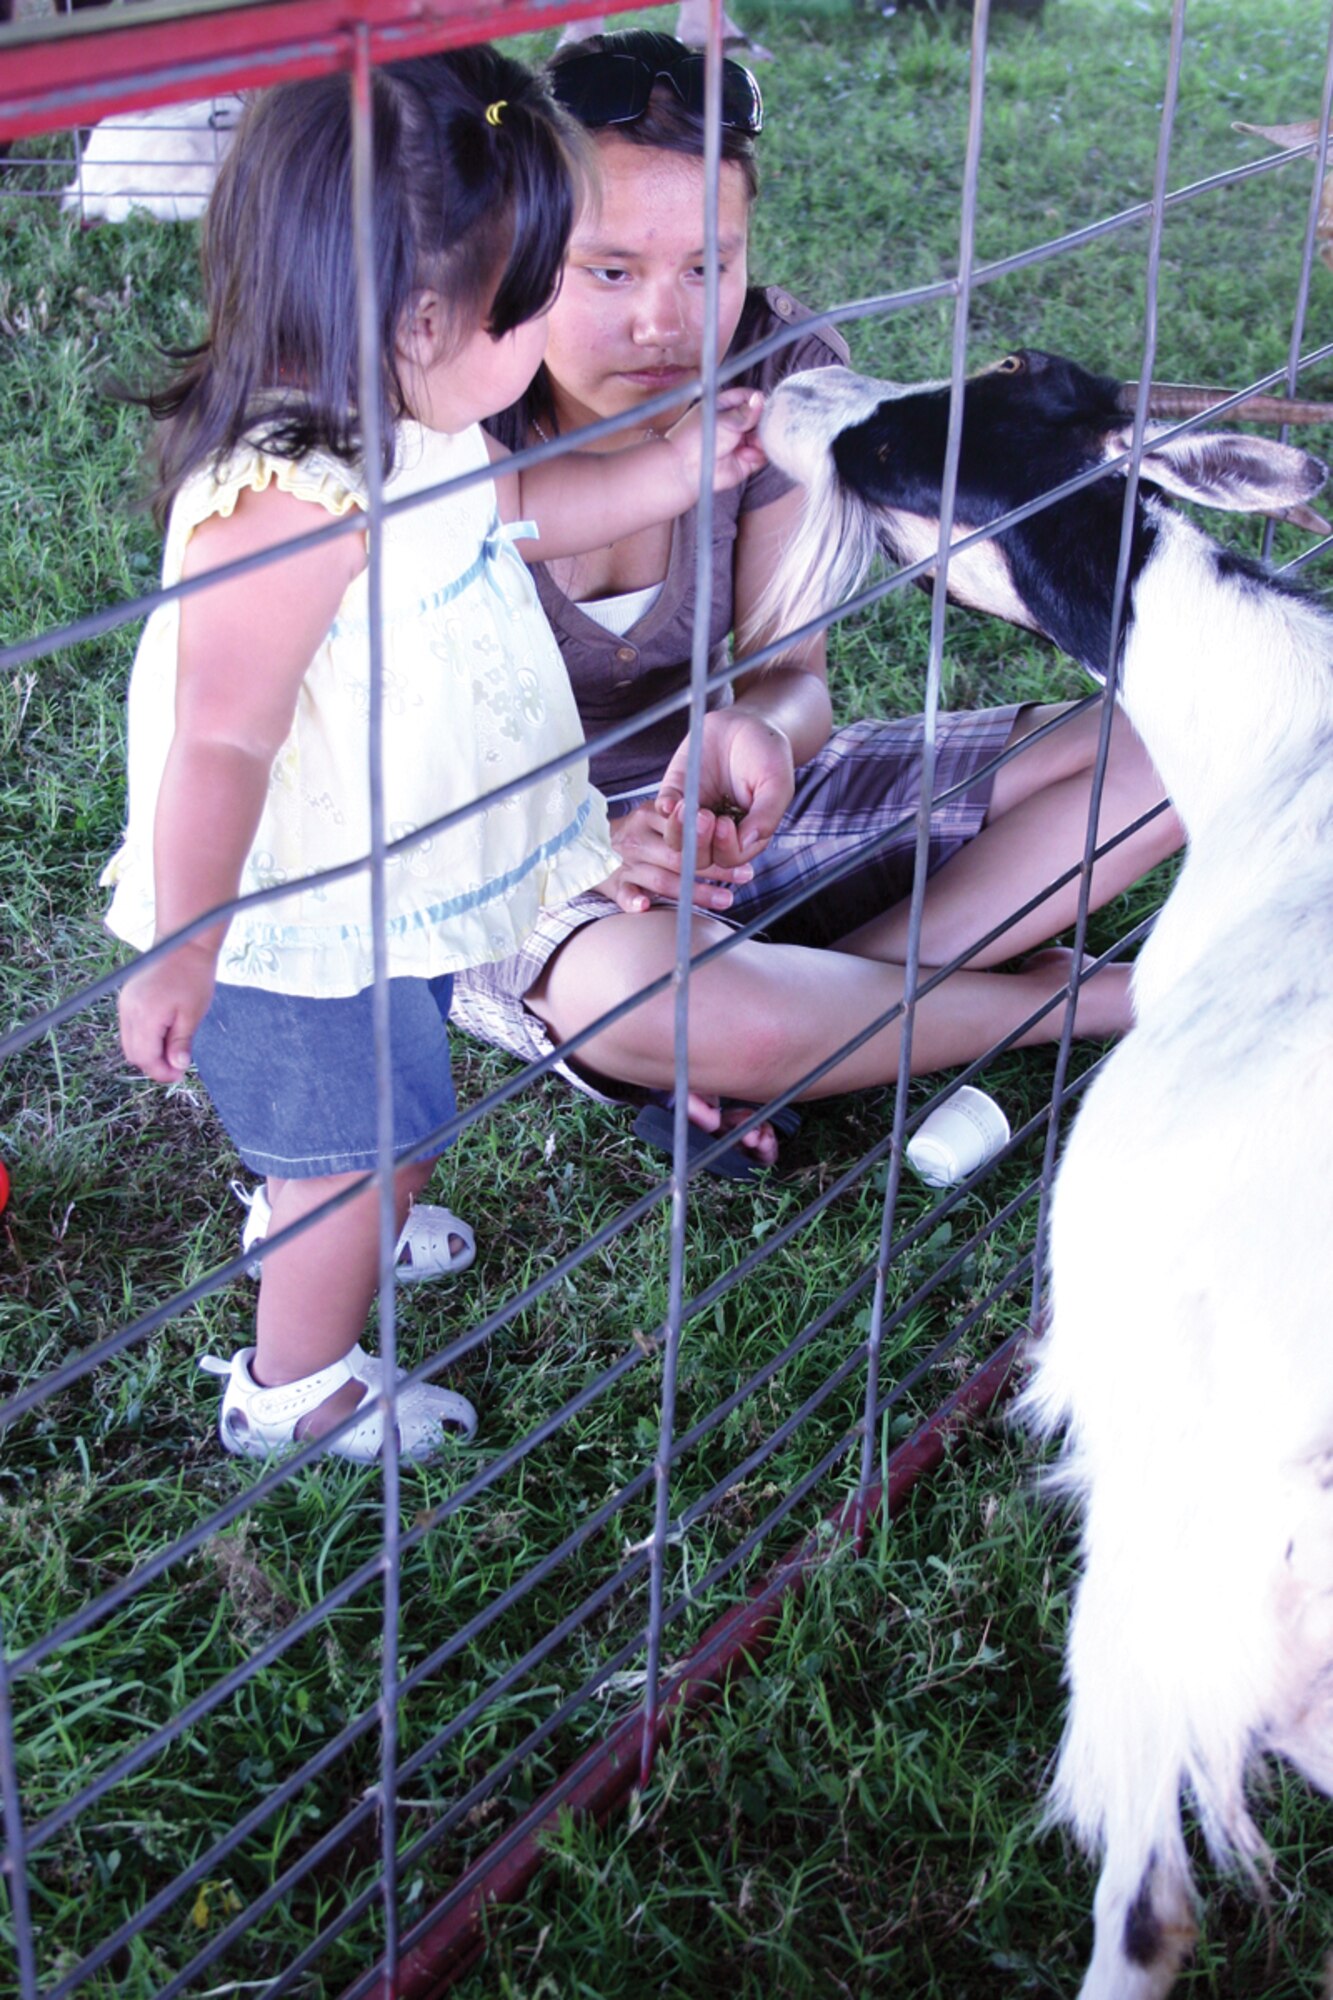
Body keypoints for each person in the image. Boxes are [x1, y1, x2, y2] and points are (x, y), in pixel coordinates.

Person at [104, 45, 764, 1462]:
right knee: (361, 1146)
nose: (538, 349)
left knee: (386, 1112)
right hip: (287, 914)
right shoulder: (292, 502)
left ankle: (327, 1213)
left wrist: (676, 471)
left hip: (378, 881)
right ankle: (298, 1383)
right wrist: (185, 938)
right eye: (522, 312)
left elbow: (519, 501)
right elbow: (222, 733)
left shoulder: (411, 424)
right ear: (412, 316)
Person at [452, 29, 1184, 1171]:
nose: (669, 321)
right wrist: (574, 852)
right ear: (523, 242)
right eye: (609, 270)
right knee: (667, 997)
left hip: (733, 827)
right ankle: (1079, 1000)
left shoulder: (776, 368)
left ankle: (822, 1016)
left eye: (709, 264)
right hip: (510, 865)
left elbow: (793, 675)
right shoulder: (435, 416)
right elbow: (378, 771)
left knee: (1165, 743)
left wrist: (762, 735)